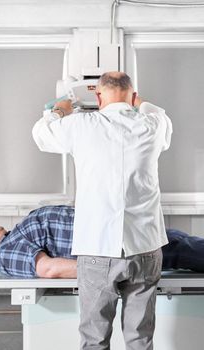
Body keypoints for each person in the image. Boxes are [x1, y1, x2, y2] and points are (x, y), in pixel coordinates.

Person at [32, 72, 172, 350]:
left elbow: (41, 134)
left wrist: (62, 108)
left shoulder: (81, 125)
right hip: (145, 247)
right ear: (133, 97)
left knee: (94, 340)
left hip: (97, 248)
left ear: (98, 97)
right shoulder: (153, 125)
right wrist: (137, 101)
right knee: (140, 339)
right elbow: (154, 110)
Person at [0, 206, 204, 279]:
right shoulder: (5, 254)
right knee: (177, 250)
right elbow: (48, 269)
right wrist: (108, 268)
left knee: (178, 241)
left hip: (115, 231)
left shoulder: (13, 237)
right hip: (112, 248)